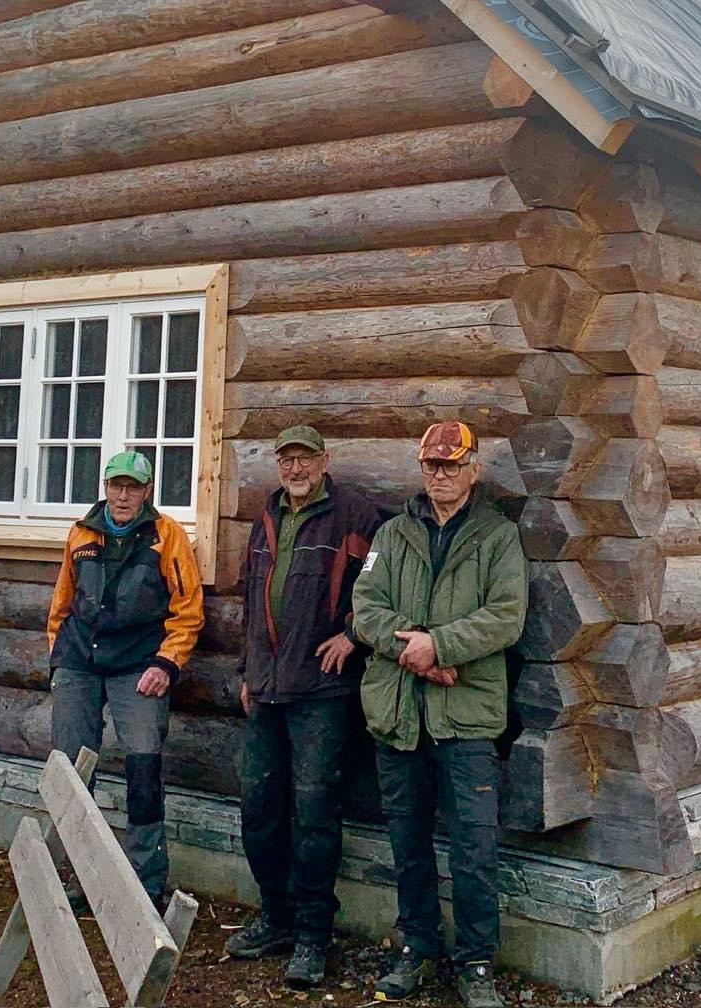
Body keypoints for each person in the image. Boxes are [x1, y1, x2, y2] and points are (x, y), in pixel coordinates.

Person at [352, 422, 527, 1008]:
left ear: (474, 469)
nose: (439, 475)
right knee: (408, 841)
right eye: (431, 464)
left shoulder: (497, 536)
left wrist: (441, 645)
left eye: (451, 465)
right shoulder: (394, 533)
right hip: (399, 714)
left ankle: (476, 964)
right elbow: (364, 608)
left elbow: (506, 616)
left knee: (474, 847)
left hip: (467, 719)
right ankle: (417, 948)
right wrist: (418, 655)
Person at [224, 426, 385, 988]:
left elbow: (381, 589)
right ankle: (277, 917)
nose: (295, 469)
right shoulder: (267, 518)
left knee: (315, 816)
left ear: (324, 461)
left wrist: (354, 634)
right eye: (286, 460)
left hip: (321, 690)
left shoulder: (357, 517)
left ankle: (315, 935)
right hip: (266, 688)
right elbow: (251, 599)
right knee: (258, 808)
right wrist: (247, 671)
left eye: (304, 459)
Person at [46, 449, 204, 907]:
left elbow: (188, 609)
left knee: (143, 769)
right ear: (105, 487)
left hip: (140, 666)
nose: (122, 495)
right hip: (79, 662)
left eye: (132, 487)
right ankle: (83, 876)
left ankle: (145, 882)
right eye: (116, 485)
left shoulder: (166, 536)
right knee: (72, 771)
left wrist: (166, 663)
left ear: (147, 491)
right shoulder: (81, 533)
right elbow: (62, 603)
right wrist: (58, 658)